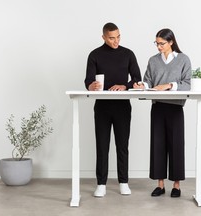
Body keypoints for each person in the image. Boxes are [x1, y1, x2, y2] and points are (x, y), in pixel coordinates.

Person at [84, 22, 141, 197]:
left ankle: (123, 182)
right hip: (102, 107)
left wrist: (125, 85)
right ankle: (101, 183)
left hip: (122, 107)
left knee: (122, 145)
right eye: (111, 38)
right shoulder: (94, 55)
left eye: (118, 37)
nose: (116, 41)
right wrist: (91, 86)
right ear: (103, 37)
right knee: (102, 146)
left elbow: (138, 79)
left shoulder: (128, 54)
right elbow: (88, 81)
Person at [133, 28, 191, 198]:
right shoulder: (153, 61)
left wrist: (168, 85)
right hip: (157, 107)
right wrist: (141, 85)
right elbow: (148, 80)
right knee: (158, 145)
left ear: (171, 42)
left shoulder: (183, 60)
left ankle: (176, 185)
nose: (158, 46)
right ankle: (160, 184)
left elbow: (187, 83)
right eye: (156, 43)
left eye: (161, 43)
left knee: (176, 145)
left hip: (175, 107)